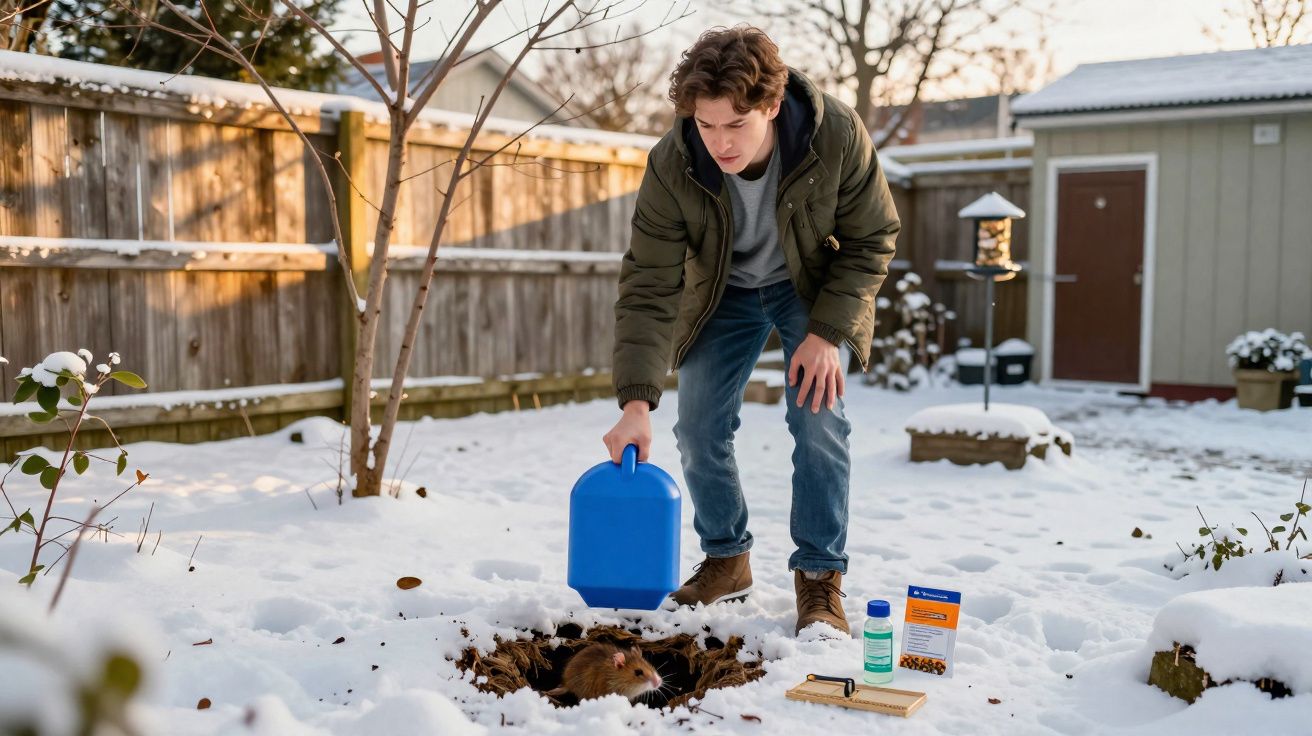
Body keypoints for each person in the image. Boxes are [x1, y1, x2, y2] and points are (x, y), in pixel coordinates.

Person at [602, 25, 900, 636]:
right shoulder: (673, 162)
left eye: (734, 126)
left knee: (818, 419)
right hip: (723, 292)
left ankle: (819, 578)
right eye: (706, 125)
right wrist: (635, 400)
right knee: (698, 425)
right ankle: (727, 559)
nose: (718, 143)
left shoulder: (836, 136)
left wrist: (827, 333)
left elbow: (873, 240)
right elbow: (650, 284)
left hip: (808, 286)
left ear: (770, 104)